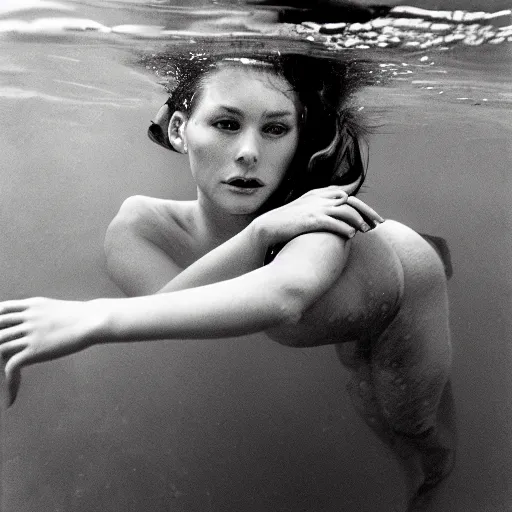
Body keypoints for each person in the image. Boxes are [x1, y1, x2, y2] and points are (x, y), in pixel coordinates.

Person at [0, 51, 455, 511]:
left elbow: (286, 297)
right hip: (350, 301)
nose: (248, 152)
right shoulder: (139, 226)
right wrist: (258, 237)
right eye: (226, 124)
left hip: (402, 291)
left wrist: (93, 317)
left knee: (408, 423)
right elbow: (167, 312)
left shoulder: (316, 214)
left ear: (298, 141)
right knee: (365, 394)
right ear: (179, 129)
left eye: (275, 129)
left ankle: (437, 478)